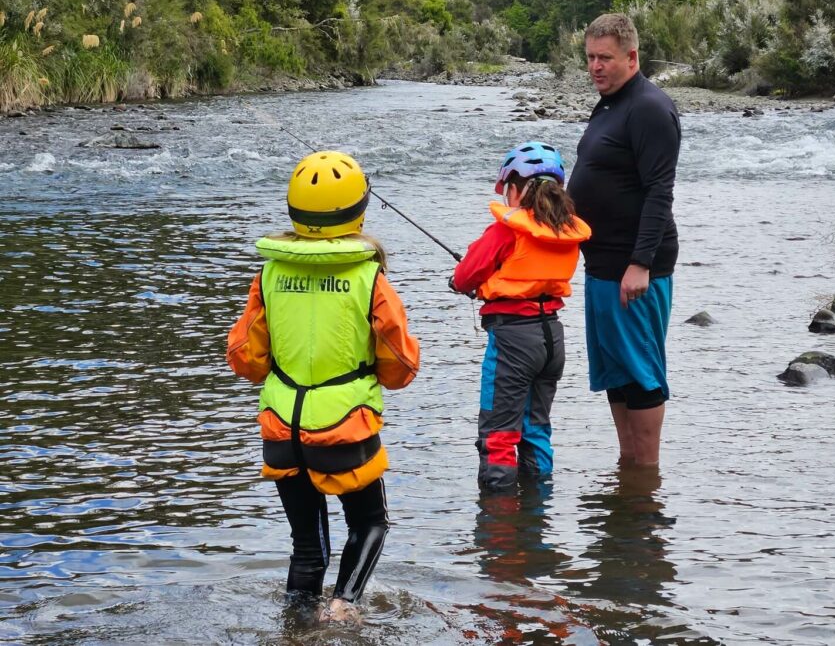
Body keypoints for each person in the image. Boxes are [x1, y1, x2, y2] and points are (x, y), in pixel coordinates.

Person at [227, 150, 420, 623]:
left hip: (280, 428)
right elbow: (400, 366)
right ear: (358, 210)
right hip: (343, 428)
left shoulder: (268, 273)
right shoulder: (369, 276)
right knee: (371, 522)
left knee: (307, 548)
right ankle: (344, 607)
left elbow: (245, 359)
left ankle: (294, 629)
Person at [567, 12, 681, 468]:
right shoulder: (610, 103)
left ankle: (646, 476)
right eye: (591, 58)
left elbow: (659, 191)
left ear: (632, 57)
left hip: (633, 267)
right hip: (601, 263)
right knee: (617, 373)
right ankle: (628, 468)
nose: (596, 67)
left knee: (641, 372)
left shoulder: (650, 107)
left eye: (606, 58)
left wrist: (641, 262)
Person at [449, 141, 592, 491]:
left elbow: (466, 275)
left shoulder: (506, 230)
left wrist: (457, 282)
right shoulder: (566, 231)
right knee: (536, 427)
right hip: (552, 339)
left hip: (513, 340)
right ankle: (537, 511)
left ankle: (498, 525)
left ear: (515, 188)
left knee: (499, 432)